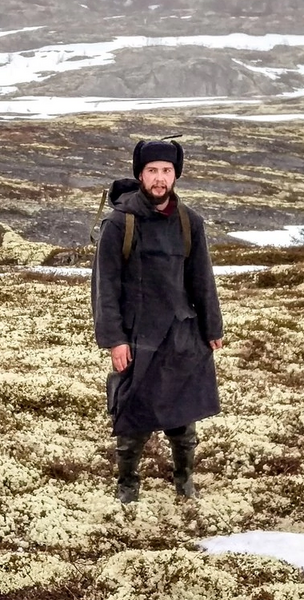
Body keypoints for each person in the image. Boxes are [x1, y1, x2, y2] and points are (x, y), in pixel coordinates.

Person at [92, 138, 224, 503]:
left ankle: (184, 484)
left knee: (183, 416)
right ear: (140, 175)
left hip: (182, 334)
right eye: (152, 171)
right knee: (133, 417)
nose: (160, 178)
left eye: (167, 171)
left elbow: (202, 278)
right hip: (137, 336)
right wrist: (114, 340)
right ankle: (127, 488)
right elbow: (105, 288)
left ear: (176, 175)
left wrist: (212, 328)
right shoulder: (118, 224)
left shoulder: (189, 222)